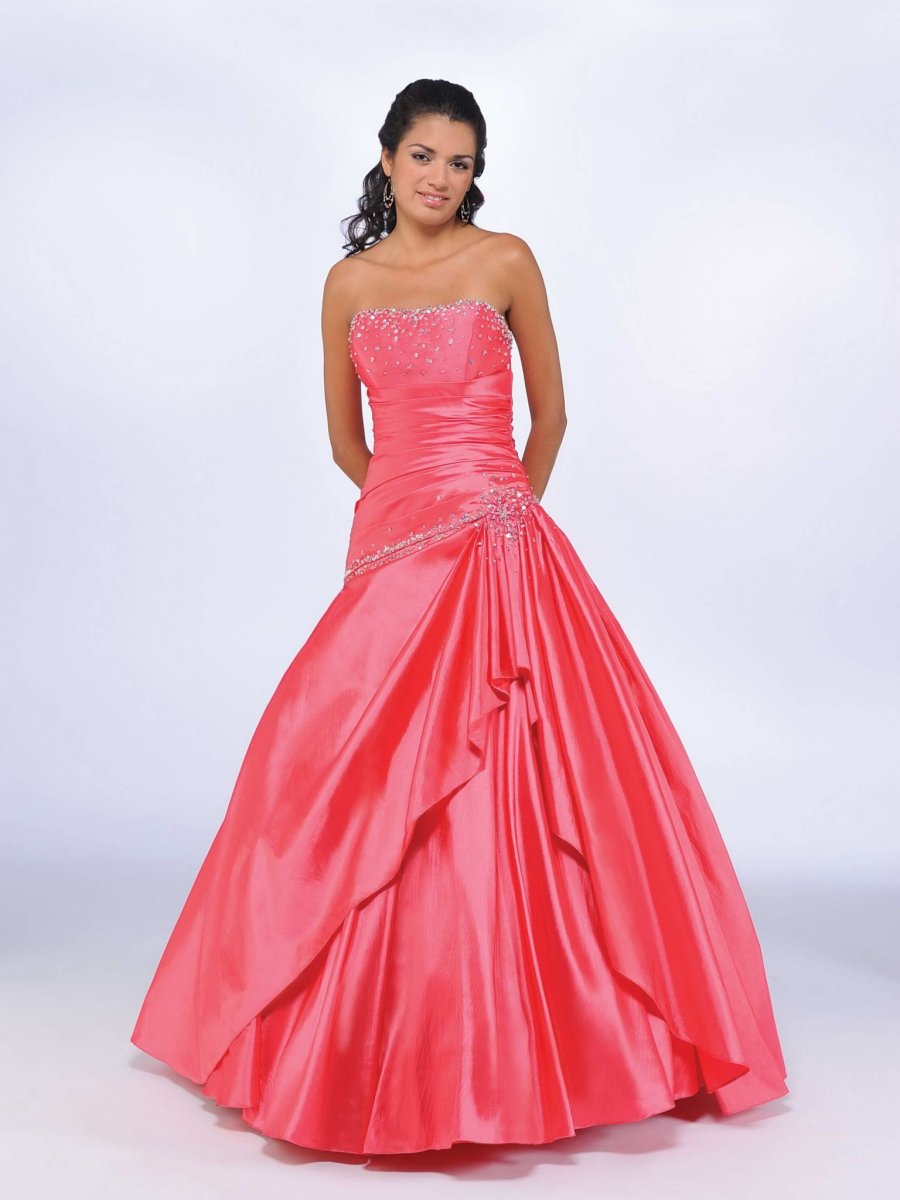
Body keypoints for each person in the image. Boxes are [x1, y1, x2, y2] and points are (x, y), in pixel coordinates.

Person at [131, 78, 789, 1157]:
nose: (443, 177)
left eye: (463, 161)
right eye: (426, 156)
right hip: (396, 540)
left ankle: (556, 1040)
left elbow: (553, 414)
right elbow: (345, 441)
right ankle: (321, 1025)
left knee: (529, 760)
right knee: (324, 750)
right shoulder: (347, 283)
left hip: (499, 537)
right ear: (388, 157)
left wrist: (501, 509)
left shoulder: (506, 261)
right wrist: (408, 512)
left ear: (478, 173)